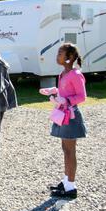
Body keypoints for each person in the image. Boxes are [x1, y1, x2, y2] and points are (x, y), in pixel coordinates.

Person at [40, 43, 87, 199]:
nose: (57, 55)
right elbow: (66, 91)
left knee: (70, 151)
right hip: (63, 114)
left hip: (71, 115)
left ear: (70, 57)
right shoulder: (64, 73)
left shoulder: (75, 74)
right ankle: (66, 181)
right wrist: (54, 91)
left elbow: (81, 96)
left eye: (61, 53)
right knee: (65, 150)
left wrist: (65, 100)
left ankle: (71, 187)